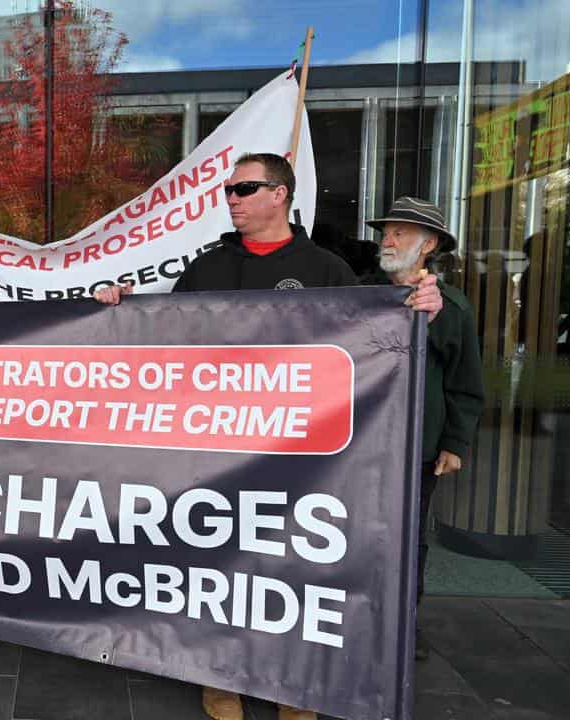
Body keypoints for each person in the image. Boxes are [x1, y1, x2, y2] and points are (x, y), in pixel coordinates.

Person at [94, 154, 443, 720]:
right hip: (218, 448)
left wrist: (421, 312)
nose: (231, 198)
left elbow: (374, 341)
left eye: (245, 188)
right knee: (218, 563)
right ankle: (221, 675)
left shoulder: (327, 268)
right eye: (228, 190)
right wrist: (118, 306)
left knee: (291, 568)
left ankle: (295, 686)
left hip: (303, 453)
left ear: (279, 194)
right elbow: (159, 332)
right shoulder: (207, 268)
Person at [364, 196, 484, 661]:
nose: (388, 239)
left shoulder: (451, 307)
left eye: (401, 232)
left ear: (429, 244)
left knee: (407, 539)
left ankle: (399, 630)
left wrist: (455, 442)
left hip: (416, 446)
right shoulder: (359, 293)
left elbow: (464, 381)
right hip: (360, 444)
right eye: (387, 231)